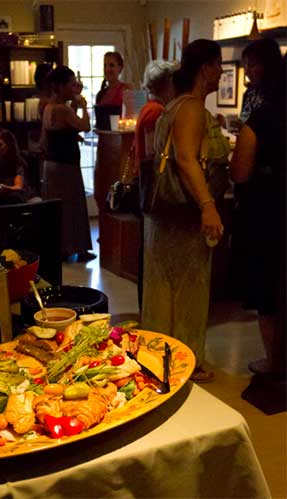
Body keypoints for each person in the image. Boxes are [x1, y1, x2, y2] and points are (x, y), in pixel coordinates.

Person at [142, 39, 230, 383]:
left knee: (166, 286)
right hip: (185, 214)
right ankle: (183, 361)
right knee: (187, 287)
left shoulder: (174, 105)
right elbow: (186, 159)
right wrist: (208, 206)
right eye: (218, 63)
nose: (221, 71)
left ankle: (163, 358)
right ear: (205, 68)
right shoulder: (191, 107)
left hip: (168, 215)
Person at [229, 39, 285, 375]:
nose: (248, 71)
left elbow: (240, 171)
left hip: (267, 210)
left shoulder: (261, 117)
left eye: (253, 64)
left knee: (268, 289)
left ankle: (275, 364)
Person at [135, 60, 178, 311]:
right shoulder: (155, 111)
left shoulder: (149, 108)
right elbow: (153, 151)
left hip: (146, 177)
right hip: (151, 179)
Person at [41, 65, 95, 262]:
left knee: (58, 207)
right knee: (74, 205)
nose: (74, 89)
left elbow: (52, 135)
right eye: (71, 85)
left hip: (50, 164)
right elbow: (85, 125)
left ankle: (61, 248)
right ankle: (78, 248)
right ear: (60, 86)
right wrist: (82, 106)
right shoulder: (63, 109)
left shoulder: (48, 107)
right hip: (66, 165)